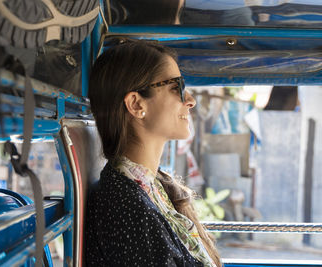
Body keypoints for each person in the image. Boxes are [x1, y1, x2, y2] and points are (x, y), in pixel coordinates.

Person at [85, 39, 221, 266]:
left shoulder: (148, 187)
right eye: (176, 87)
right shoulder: (126, 210)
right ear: (137, 105)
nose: (190, 100)